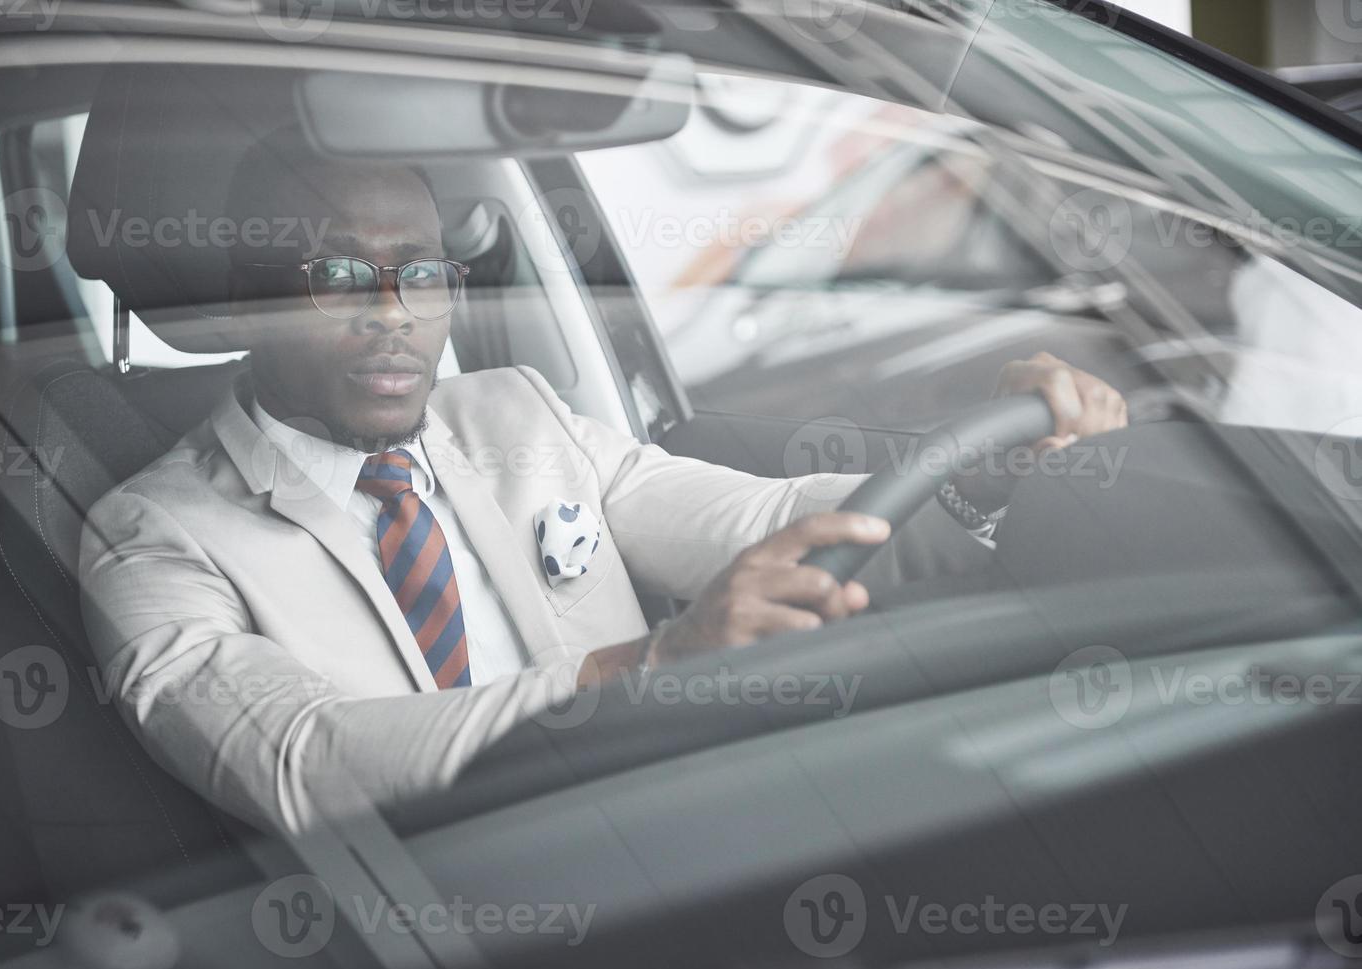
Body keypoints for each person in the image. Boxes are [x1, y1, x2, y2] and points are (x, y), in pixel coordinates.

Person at [79, 133, 1127, 835]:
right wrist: (648, 665)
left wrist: (964, 468)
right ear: (244, 294)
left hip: (675, 833)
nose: (395, 311)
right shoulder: (152, 535)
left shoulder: (514, 412)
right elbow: (303, 761)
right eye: (341, 275)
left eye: (426, 271)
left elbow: (754, 520)